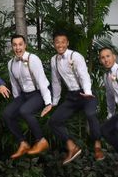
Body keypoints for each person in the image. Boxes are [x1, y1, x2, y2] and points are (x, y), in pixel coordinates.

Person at [42, 31, 104, 164]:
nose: (60, 45)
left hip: (86, 93)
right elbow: (56, 82)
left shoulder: (75, 56)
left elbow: (84, 75)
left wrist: (87, 92)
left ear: (67, 43)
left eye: (63, 42)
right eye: (57, 42)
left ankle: (98, 147)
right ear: (54, 44)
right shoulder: (54, 60)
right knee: (54, 121)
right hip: (72, 96)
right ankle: (72, 147)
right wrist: (54, 103)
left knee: (91, 114)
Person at [3, 34, 51, 159]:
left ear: (25, 45)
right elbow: (15, 85)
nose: (17, 48)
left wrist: (48, 102)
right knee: (7, 113)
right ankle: (23, 143)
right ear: (12, 47)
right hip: (24, 95)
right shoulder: (11, 63)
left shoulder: (33, 59)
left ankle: (41, 141)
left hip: (39, 92)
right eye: (15, 45)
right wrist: (16, 102)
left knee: (25, 110)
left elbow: (41, 80)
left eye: (20, 44)